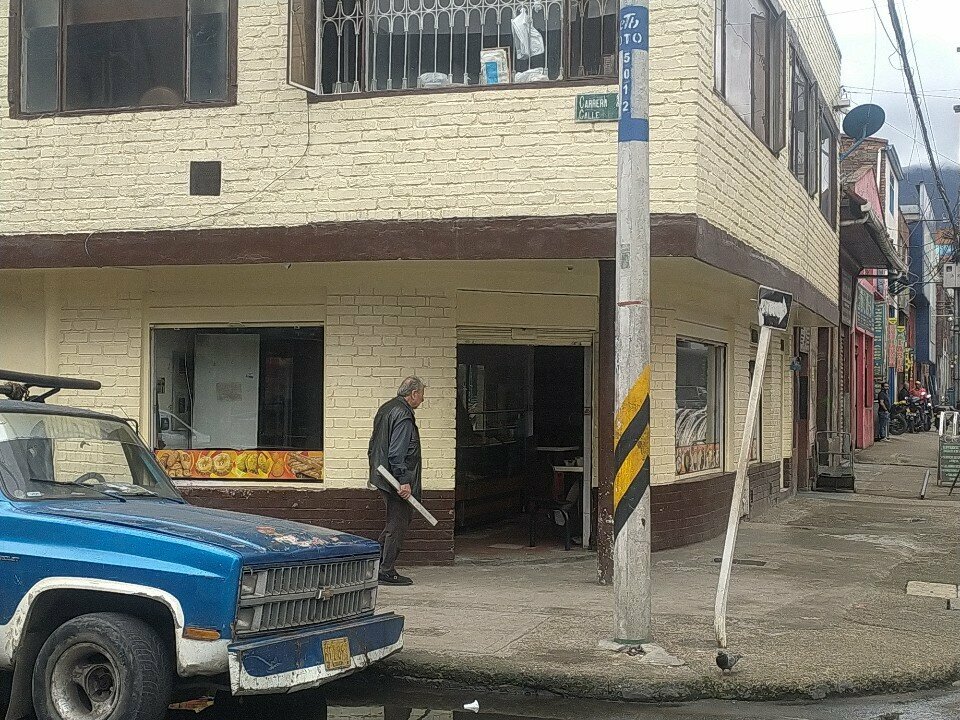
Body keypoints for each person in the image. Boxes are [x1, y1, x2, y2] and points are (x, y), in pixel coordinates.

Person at [368, 376, 426, 586]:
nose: (423, 400)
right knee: (398, 523)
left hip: (383, 475)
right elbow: (397, 452)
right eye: (422, 395)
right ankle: (386, 570)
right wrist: (403, 480)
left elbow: (374, 444)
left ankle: (375, 565)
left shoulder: (387, 408)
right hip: (394, 479)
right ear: (413, 393)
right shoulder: (403, 414)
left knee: (394, 522)